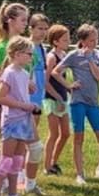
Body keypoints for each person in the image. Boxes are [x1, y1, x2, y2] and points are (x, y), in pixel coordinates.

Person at [55, 24, 99, 185]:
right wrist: (69, 85)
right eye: (91, 40)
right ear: (83, 41)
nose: (94, 43)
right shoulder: (73, 55)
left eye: (96, 39)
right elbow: (55, 71)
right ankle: (80, 175)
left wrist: (90, 58)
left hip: (93, 103)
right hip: (78, 102)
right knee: (79, 138)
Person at [0, 37, 39, 196]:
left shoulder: (24, 73)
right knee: (6, 159)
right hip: (12, 121)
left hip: (24, 121)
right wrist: (23, 105)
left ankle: (13, 195)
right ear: (18, 54)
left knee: (17, 160)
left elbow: (21, 91)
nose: (30, 57)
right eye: (29, 54)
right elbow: (0, 97)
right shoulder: (9, 72)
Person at [22, 14, 49, 194]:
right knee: (27, 142)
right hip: (26, 100)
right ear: (30, 29)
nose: (43, 32)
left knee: (30, 140)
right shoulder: (26, 47)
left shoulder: (43, 49)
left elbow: (44, 75)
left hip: (38, 98)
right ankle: (22, 180)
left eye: (45, 29)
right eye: (39, 28)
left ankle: (27, 180)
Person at [41, 23, 73, 176]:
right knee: (53, 133)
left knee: (66, 133)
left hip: (62, 98)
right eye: (65, 40)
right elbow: (45, 82)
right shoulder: (51, 57)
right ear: (55, 41)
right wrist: (57, 96)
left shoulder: (64, 56)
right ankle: (46, 166)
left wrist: (69, 89)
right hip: (51, 98)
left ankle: (54, 161)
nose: (68, 42)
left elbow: (62, 77)